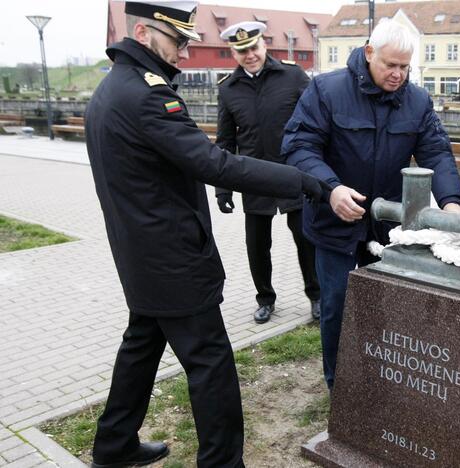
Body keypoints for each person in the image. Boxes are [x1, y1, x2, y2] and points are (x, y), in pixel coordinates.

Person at [84, 2, 329, 466]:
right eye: (177, 40)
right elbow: (215, 161)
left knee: (141, 345)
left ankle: (114, 445)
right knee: (210, 363)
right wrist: (301, 182)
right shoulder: (148, 95)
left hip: (140, 255)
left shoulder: (113, 87)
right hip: (172, 257)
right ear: (141, 31)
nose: (184, 50)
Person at [282, 20, 460, 391]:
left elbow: (436, 152)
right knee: (336, 305)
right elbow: (299, 147)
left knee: (386, 304)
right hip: (333, 221)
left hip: (387, 227)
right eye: (390, 65)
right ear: (369, 53)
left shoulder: (417, 101)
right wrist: (331, 189)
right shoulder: (326, 90)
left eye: (405, 66)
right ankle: (340, 386)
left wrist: (451, 203)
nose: (398, 74)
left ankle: (381, 377)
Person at [214, 21, 321, 324]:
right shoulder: (228, 89)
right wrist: (223, 189)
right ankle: (265, 299)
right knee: (257, 245)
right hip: (253, 177)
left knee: (305, 238)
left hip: (293, 172)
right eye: (242, 51)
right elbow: (225, 143)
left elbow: (316, 123)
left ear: (264, 45)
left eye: (253, 48)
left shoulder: (293, 76)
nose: (249, 55)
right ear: (234, 53)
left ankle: (317, 295)